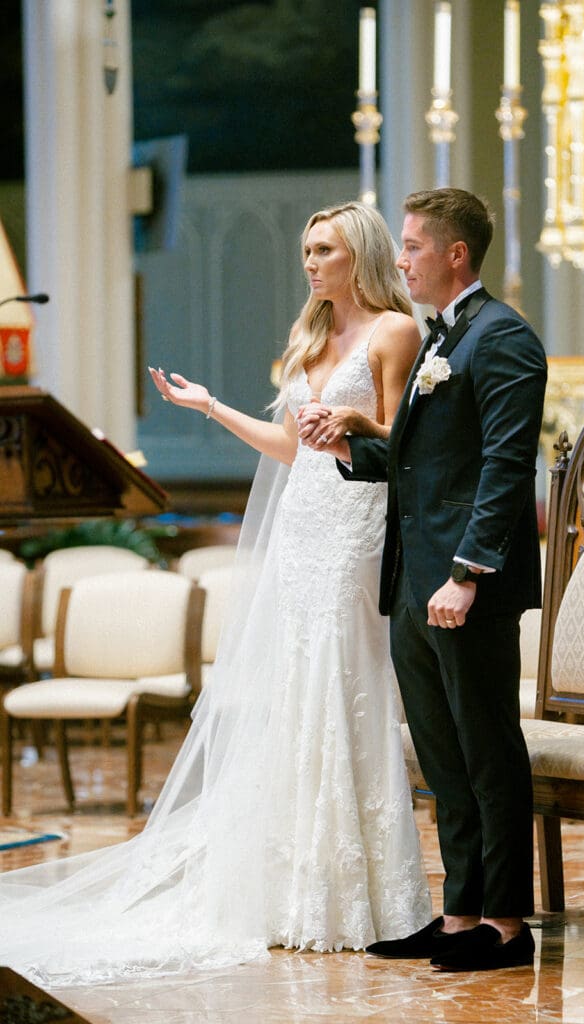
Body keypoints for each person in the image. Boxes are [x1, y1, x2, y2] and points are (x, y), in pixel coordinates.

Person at [0, 200, 431, 986]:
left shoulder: (395, 332)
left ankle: (358, 894)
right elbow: (288, 445)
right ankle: (295, 884)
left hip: (354, 522)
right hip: (305, 522)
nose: (309, 262)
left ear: (357, 255)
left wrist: (352, 425)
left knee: (344, 685)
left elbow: (403, 440)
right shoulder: (309, 339)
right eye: (305, 249)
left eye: (324, 249)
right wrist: (210, 407)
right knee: (297, 690)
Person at [299, 188, 547, 972]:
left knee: (486, 752)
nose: (399, 259)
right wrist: (341, 445)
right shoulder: (446, 339)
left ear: (455, 255)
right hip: (413, 581)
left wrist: (469, 573)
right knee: (442, 760)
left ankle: (507, 925)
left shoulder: (502, 339)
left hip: (462, 585)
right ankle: (459, 915)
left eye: (411, 246)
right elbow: (412, 460)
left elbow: (505, 471)